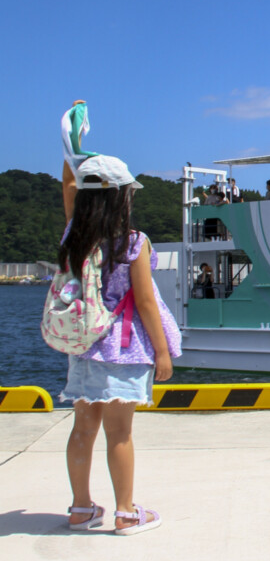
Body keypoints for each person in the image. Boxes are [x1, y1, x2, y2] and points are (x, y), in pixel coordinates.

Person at [58, 154, 181, 535]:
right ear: (121, 197)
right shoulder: (132, 243)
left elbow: (69, 187)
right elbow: (145, 302)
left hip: (84, 343)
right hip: (124, 348)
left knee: (82, 428)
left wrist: (71, 149)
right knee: (120, 433)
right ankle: (125, 513)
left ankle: (81, 509)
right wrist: (162, 351)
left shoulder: (75, 234)